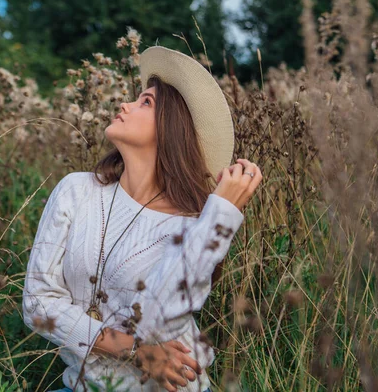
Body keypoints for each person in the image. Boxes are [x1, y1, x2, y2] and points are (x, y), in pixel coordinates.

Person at [23, 45, 263, 392]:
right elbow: (37, 302)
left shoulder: (193, 225)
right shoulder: (76, 191)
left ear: (172, 128)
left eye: (145, 102)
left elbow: (155, 325)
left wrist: (221, 214)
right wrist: (135, 351)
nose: (125, 105)